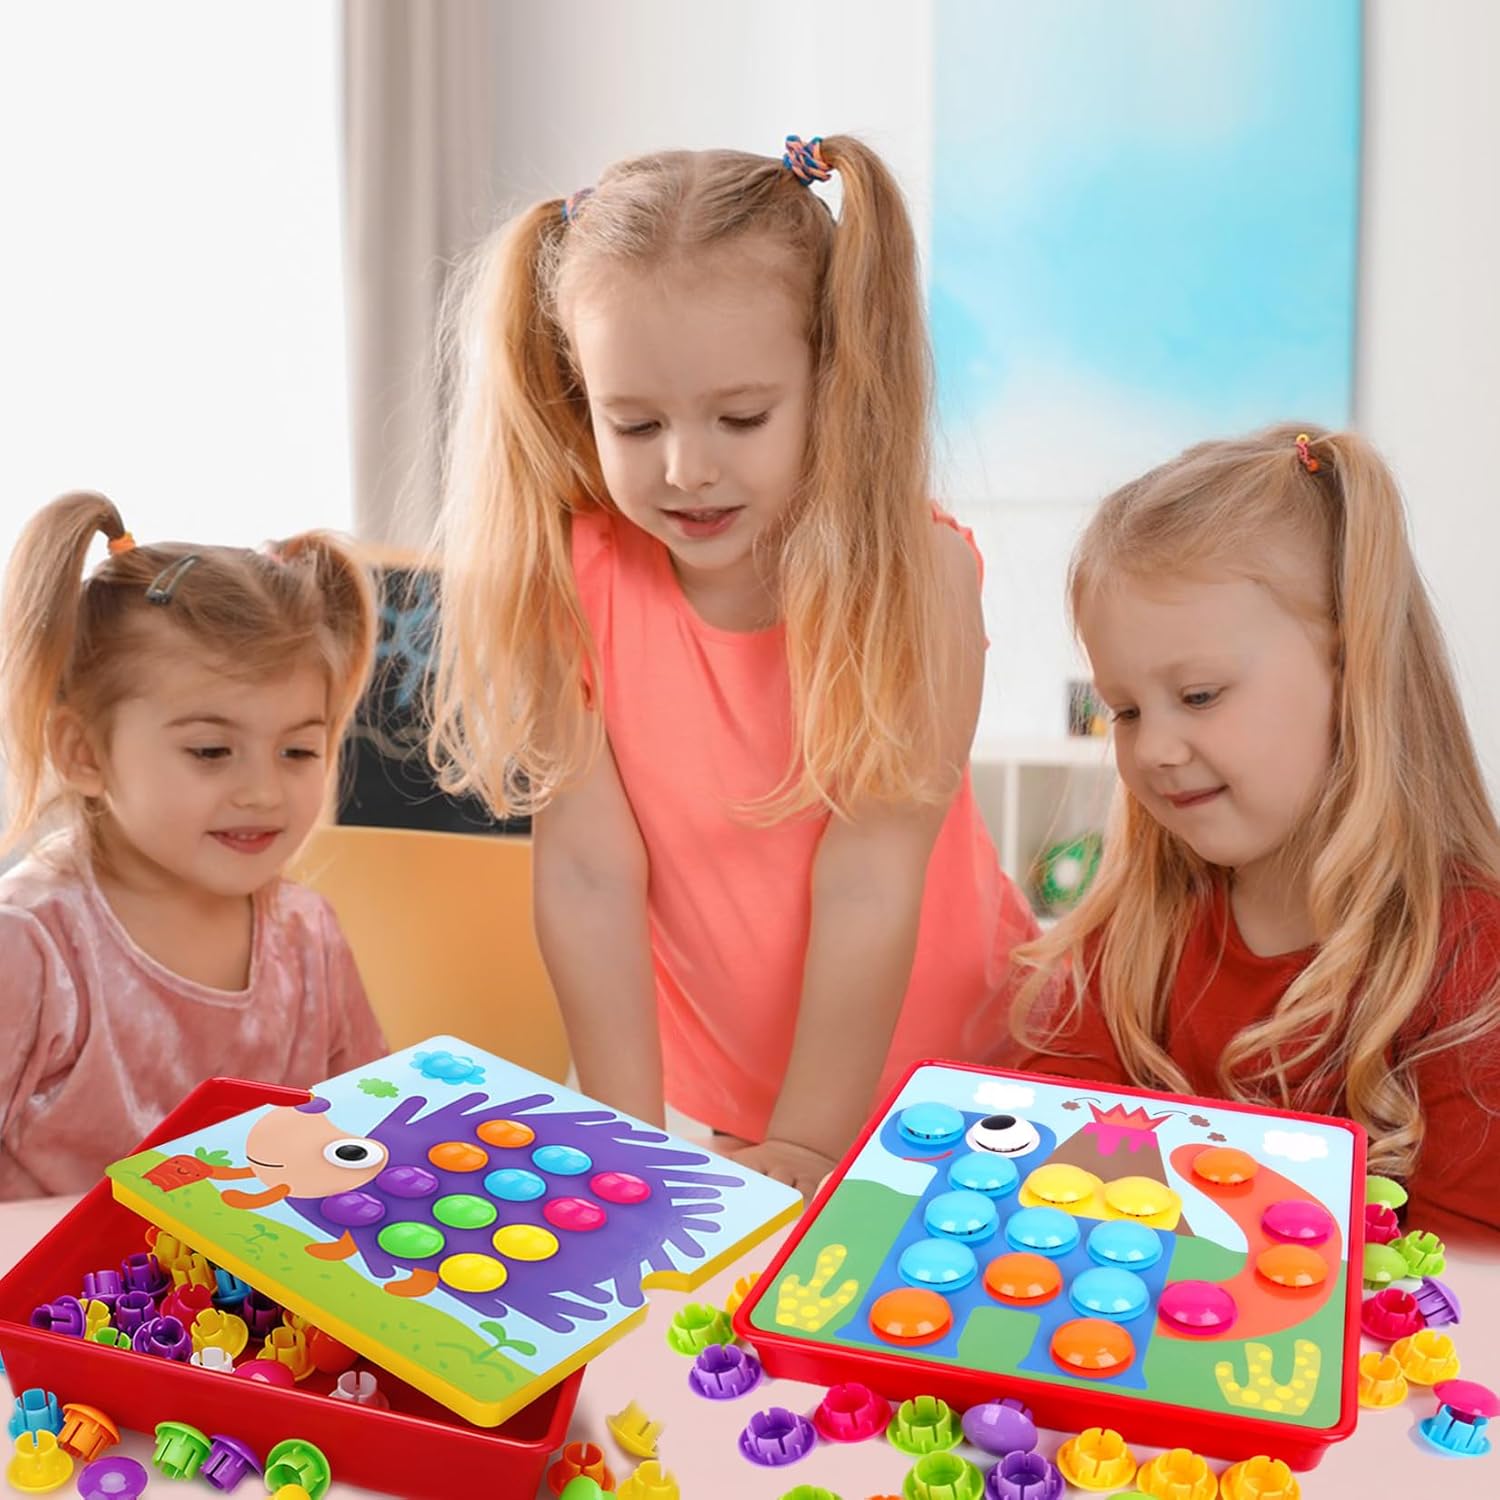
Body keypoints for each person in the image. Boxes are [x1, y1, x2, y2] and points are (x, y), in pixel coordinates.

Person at [430, 135, 1037, 1192]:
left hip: (966, 1088)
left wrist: (807, 1143)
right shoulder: (573, 580)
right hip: (736, 1107)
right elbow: (588, 877)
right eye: (634, 423)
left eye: (742, 417)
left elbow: (869, 878)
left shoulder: (920, 578)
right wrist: (628, 1147)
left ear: (833, 381)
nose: (686, 468)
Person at [1003, 425, 1500, 1240]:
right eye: (1124, 711)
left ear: (1354, 673)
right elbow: (1049, 1160)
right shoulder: (1134, 934)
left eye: (1199, 696)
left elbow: (1467, 1280)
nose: (1153, 750)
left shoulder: (1469, 965)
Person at [0, 492, 387, 1198]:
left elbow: (360, 1146)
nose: (263, 792)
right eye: (211, 751)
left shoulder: (309, 937)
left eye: (298, 751)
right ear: (83, 752)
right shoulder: (28, 947)